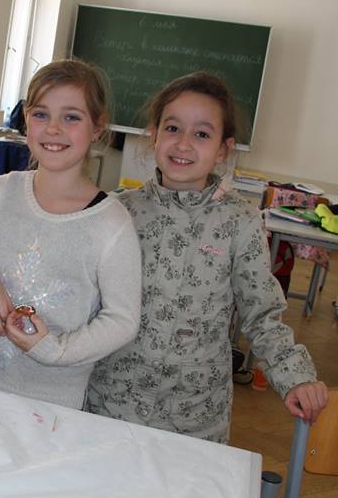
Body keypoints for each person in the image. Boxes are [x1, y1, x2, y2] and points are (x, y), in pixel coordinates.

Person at [86, 71, 328, 443]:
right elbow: (86, 299)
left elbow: (261, 312)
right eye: (172, 128)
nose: (183, 144)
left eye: (201, 134)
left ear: (222, 149)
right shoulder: (119, 211)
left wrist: (295, 376)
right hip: (112, 400)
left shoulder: (240, 221)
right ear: (154, 134)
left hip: (195, 414)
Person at [0, 58, 142, 409]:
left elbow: (122, 320)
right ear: (26, 120)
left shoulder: (112, 223)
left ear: (97, 127)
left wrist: (55, 350)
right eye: (40, 114)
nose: (53, 128)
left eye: (71, 117)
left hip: (52, 404)